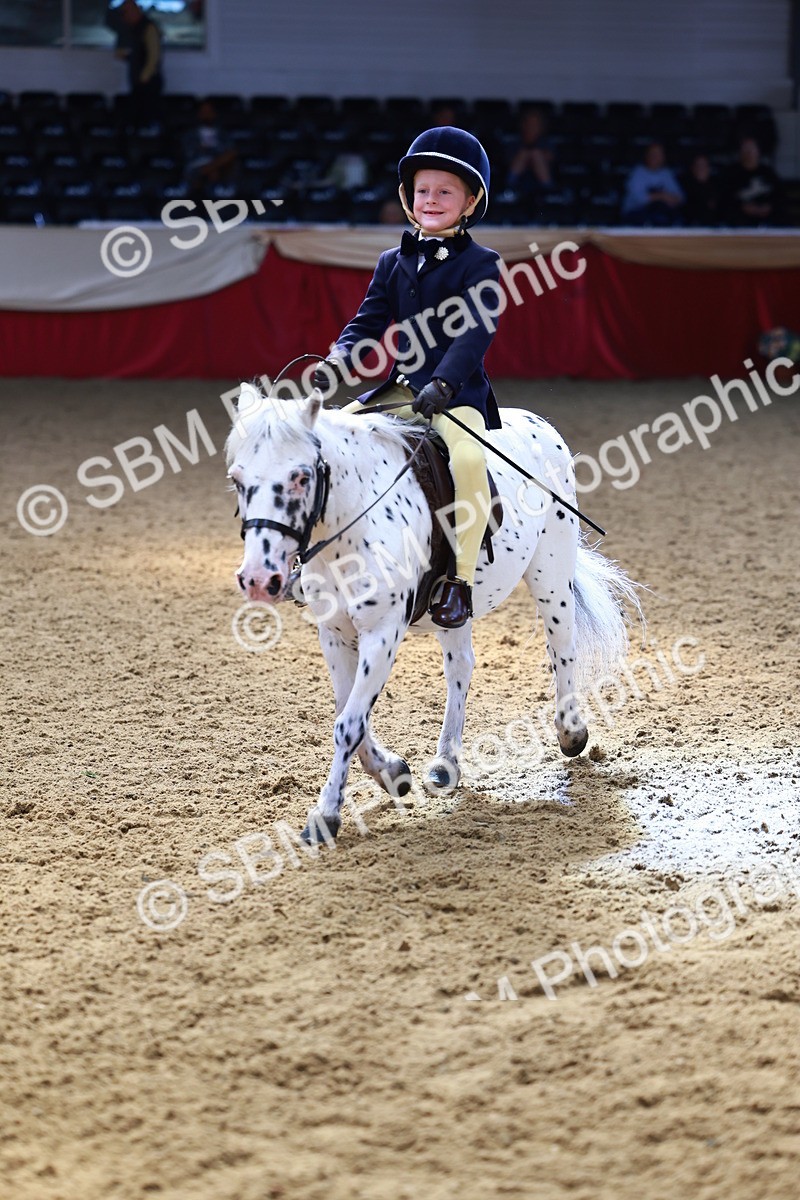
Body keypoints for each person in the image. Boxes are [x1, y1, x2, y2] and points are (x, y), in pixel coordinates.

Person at [312, 127, 501, 628]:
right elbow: (368, 321)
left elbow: (475, 334)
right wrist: (340, 357)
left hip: (454, 394)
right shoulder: (391, 262)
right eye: (423, 191)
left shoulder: (483, 264)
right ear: (407, 197)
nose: (431, 200)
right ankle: (310, 560)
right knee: (324, 442)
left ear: (470, 201)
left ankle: (459, 579)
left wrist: (445, 383)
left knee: (467, 458)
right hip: (399, 390)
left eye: (445, 192)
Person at [109, 0, 163, 127]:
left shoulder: (148, 27)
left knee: (147, 118)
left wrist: (145, 76)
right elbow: (133, 53)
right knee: (135, 118)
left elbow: (154, 55)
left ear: (135, 11)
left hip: (148, 83)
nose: (124, 16)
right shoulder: (132, 29)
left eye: (126, 13)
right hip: (138, 81)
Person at [182, 101, 237, 197]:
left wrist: (212, 162)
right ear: (198, 114)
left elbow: (230, 151)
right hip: (197, 165)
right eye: (203, 112)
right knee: (212, 173)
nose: (206, 115)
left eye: (209, 111)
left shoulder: (223, 134)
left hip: (220, 164)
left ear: (214, 114)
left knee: (228, 161)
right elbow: (189, 153)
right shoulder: (190, 134)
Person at [621, 141, 684, 226]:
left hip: (661, 213)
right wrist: (662, 196)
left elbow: (680, 197)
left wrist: (670, 199)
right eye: (652, 153)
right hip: (636, 213)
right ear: (647, 155)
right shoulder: (638, 172)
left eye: (658, 154)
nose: (655, 157)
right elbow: (639, 199)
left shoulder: (666, 173)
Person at [722, 137, 781, 226]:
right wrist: (742, 207)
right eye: (746, 148)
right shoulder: (731, 173)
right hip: (739, 221)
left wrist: (768, 207)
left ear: (758, 151)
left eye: (752, 148)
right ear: (740, 152)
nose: (749, 152)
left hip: (767, 219)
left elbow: (779, 197)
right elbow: (725, 199)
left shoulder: (768, 173)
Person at [506, 107, 554, 194]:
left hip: (541, 183)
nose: (531, 127)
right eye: (528, 124)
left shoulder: (547, 144)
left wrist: (535, 156)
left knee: (536, 155)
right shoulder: (514, 143)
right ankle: (508, 189)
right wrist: (525, 156)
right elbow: (508, 162)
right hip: (518, 182)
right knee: (523, 154)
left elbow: (551, 159)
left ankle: (549, 193)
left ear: (541, 127)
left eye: (535, 125)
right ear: (523, 125)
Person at [682, 154, 719, 226]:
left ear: (709, 168)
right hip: (691, 228)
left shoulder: (717, 185)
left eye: (704, 165)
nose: (701, 168)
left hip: (716, 229)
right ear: (692, 168)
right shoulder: (684, 185)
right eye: (698, 165)